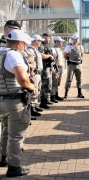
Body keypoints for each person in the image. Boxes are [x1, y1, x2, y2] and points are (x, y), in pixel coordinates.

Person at [0, 29, 34, 177]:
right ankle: (14, 167)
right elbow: (22, 78)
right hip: (14, 102)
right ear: (19, 44)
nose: (25, 47)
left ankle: (2, 158)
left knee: (6, 131)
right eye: (25, 45)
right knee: (16, 135)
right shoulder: (13, 54)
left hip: (1, 99)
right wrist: (31, 87)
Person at [27, 35, 45, 115]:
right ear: (35, 41)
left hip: (38, 73)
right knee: (34, 91)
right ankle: (32, 108)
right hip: (34, 73)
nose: (40, 42)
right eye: (39, 41)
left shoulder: (36, 50)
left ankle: (35, 105)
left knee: (38, 90)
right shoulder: (30, 50)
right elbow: (30, 62)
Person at [64, 34, 85, 98]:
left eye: (77, 39)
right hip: (71, 65)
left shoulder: (80, 46)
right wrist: (69, 59)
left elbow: (82, 54)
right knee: (69, 79)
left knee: (79, 80)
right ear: (72, 39)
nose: (76, 40)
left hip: (78, 65)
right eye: (75, 39)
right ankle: (66, 93)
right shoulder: (69, 46)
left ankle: (79, 93)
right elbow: (65, 55)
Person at [38, 33, 55, 108]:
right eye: (48, 38)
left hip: (48, 68)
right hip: (44, 69)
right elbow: (41, 56)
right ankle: (42, 102)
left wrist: (52, 67)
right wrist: (49, 56)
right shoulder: (41, 46)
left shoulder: (47, 46)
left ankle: (46, 99)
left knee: (48, 84)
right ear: (44, 37)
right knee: (44, 85)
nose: (49, 39)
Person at [50, 36, 65, 102]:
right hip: (56, 68)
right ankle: (52, 97)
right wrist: (52, 68)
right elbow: (52, 60)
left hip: (60, 67)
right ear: (57, 42)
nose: (62, 43)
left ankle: (56, 95)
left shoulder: (59, 49)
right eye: (60, 41)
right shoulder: (53, 49)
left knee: (58, 82)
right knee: (54, 82)